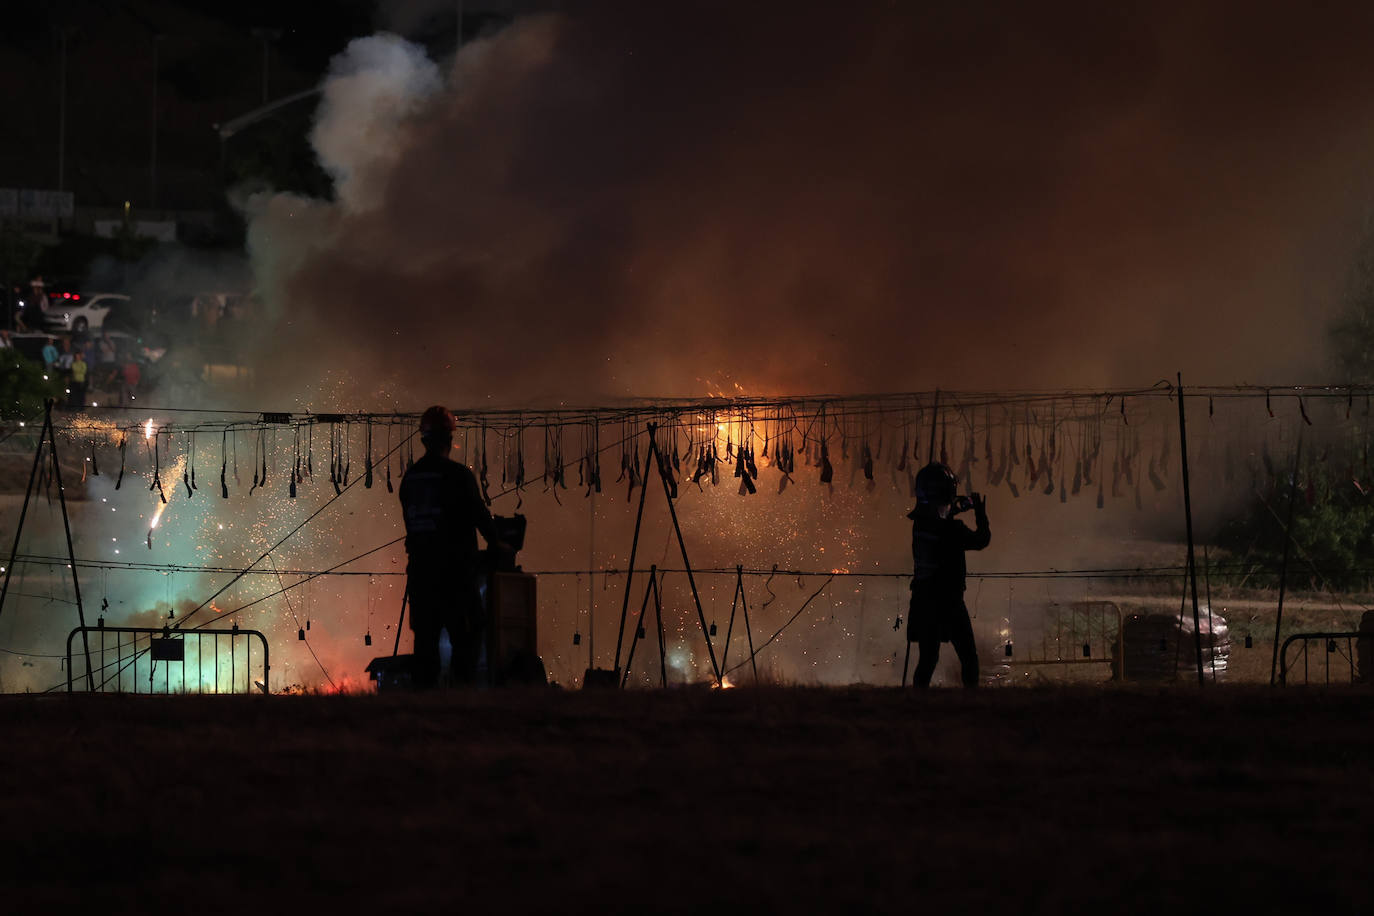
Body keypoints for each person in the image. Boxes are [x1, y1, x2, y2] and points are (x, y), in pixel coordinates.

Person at [398, 405, 504, 687]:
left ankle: (424, 704)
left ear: (424, 439)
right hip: (455, 572)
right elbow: (480, 516)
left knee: (426, 640)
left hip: (421, 573)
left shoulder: (411, 478)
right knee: (468, 631)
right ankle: (461, 693)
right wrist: (497, 544)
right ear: (449, 439)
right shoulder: (458, 476)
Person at [907, 462, 990, 688]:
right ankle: (971, 703)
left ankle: (915, 703)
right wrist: (980, 513)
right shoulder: (953, 530)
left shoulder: (919, 525)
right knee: (968, 657)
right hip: (949, 601)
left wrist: (957, 507)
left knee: (928, 659)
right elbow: (982, 540)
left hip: (924, 599)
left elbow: (938, 515)